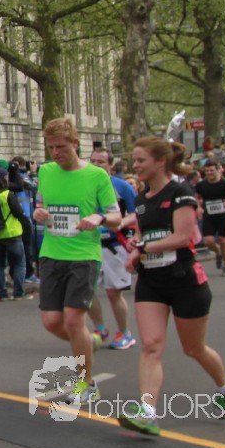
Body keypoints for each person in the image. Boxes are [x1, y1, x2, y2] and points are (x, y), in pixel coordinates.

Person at [117, 137, 225, 436]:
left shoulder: (181, 192)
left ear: (160, 161)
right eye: (134, 160)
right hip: (152, 281)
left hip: (185, 279)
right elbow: (142, 236)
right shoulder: (141, 199)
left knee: (194, 348)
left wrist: (144, 246)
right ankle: (147, 413)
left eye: (141, 160)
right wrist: (134, 250)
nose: (135, 165)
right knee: (151, 345)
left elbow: (183, 237)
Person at [31, 118, 120, 406]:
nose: (56, 152)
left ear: (75, 143)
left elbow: (116, 217)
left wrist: (99, 217)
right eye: (51, 148)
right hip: (51, 254)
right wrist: (38, 213)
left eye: (61, 147)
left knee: (73, 320)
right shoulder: (45, 172)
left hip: (83, 255)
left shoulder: (97, 175)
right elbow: (40, 205)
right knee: (51, 321)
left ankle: (86, 384)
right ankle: (88, 341)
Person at [88, 148, 138, 350]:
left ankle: (125, 333)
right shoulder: (83, 184)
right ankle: (100, 328)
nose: (96, 165)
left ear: (110, 165)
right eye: (93, 161)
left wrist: (120, 222)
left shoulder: (122, 186)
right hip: (88, 245)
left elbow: (136, 213)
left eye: (101, 162)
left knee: (113, 293)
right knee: (85, 291)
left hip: (114, 245)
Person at [0, 161, 31, 300]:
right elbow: (18, 212)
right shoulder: (8, 194)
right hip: (11, 233)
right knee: (19, 263)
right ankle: (18, 293)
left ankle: (2, 293)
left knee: (0, 264)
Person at [197, 161, 225, 276]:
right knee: (208, 241)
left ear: (218, 170)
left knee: (223, 240)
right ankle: (218, 252)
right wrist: (198, 207)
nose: (209, 173)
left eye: (211, 170)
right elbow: (197, 197)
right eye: (207, 171)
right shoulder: (201, 185)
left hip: (223, 216)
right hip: (209, 216)